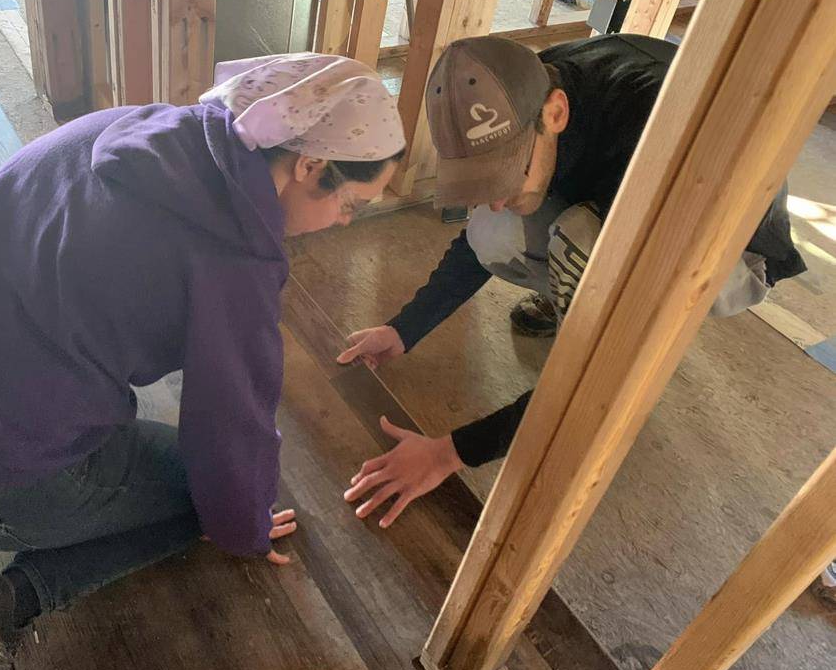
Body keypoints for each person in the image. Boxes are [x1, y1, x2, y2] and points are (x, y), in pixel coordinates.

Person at [0, 53, 405, 670]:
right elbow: (230, 434)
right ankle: (1, 608)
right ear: (308, 167)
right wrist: (244, 526)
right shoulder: (234, 259)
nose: (343, 223)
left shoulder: (130, 127)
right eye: (351, 205)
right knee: (208, 496)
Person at [337, 34, 806, 528]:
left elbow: (600, 372)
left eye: (505, 174)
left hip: (730, 254)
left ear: (556, 113)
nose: (496, 196)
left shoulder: (666, 144)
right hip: (612, 203)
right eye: (482, 180)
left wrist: (449, 454)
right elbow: (480, 240)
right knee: (495, 228)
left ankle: (582, 293)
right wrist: (405, 329)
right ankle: (575, 284)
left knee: (579, 250)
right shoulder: (529, 90)